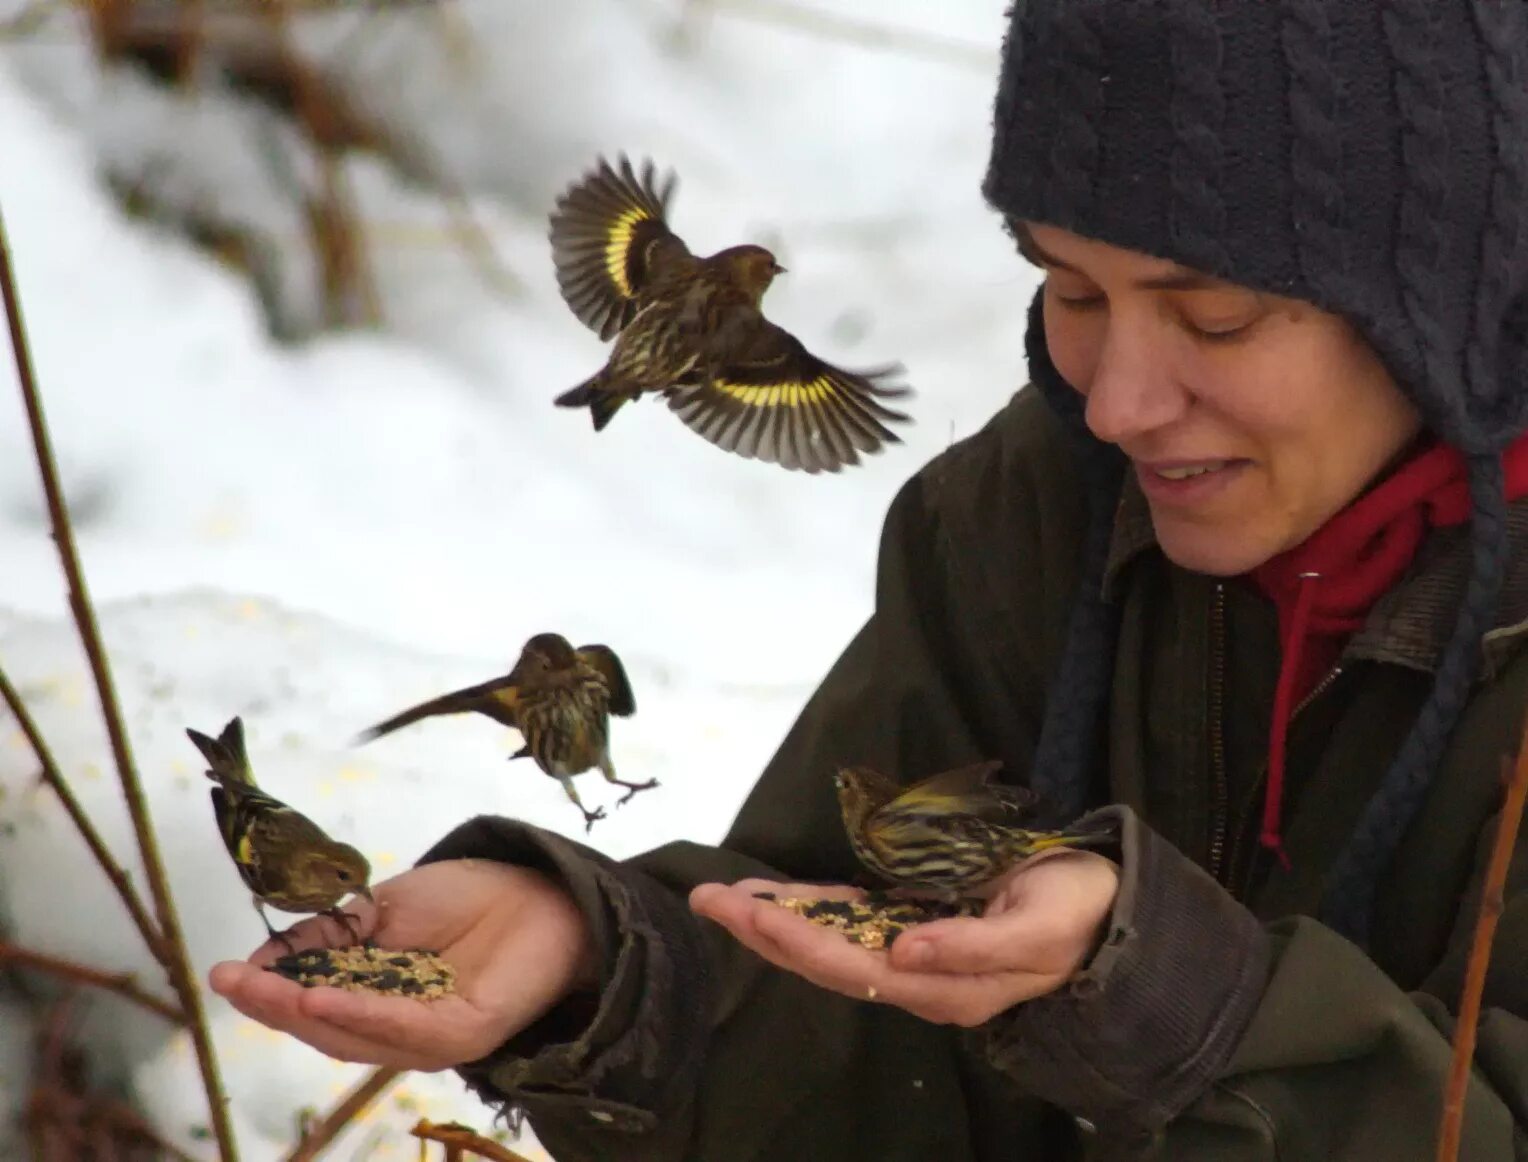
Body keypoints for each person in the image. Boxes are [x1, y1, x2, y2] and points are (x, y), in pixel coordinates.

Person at [210, 2, 1528, 1158]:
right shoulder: (1039, 515)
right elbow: (876, 1041)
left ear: (1450, 284)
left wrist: (1171, 999)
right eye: (1070, 289)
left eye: (1215, 318)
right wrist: (607, 973)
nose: (1120, 399)